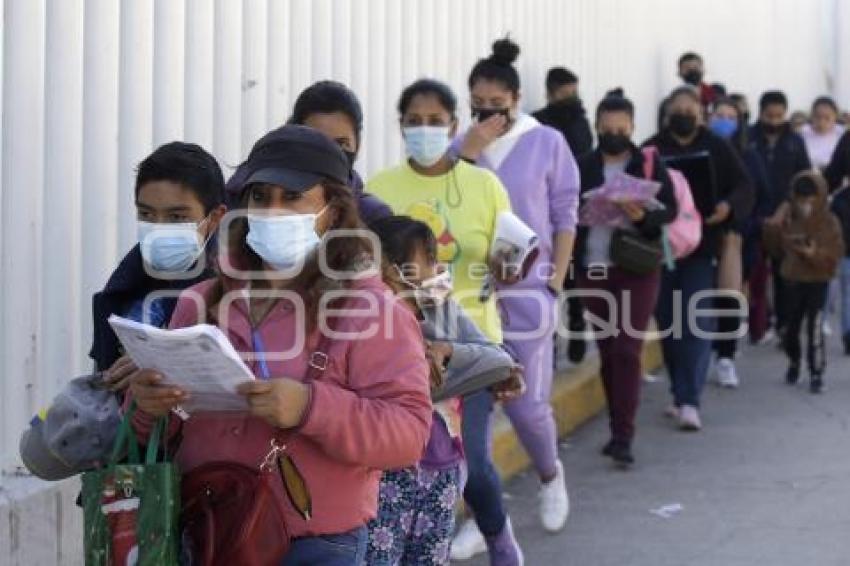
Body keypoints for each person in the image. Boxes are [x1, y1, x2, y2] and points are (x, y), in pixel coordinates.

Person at [128, 125, 432, 565]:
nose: (271, 211)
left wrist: (310, 406)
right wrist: (146, 407)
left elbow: (407, 435)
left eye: (292, 198)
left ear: (332, 209)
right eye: (259, 197)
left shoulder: (371, 310)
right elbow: (158, 430)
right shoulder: (200, 301)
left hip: (314, 545)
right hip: (209, 529)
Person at [366, 78, 525, 564]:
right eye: (414, 120)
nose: (424, 129)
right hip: (396, 344)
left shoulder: (485, 185)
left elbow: (509, 255)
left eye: (436, 121)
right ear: (400, 126)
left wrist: (508, 270)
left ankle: (500, 539)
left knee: (470, 465)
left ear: (454, 125)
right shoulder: (379, 189)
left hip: (466, 340)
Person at [453, 36, 579, 558]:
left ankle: (551, 475)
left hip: (529, 293)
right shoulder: (461, 148)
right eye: (477, 106)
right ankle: (486, 518)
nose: (486, 115)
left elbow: (565, 212)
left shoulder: (547, 141)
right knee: (471, 421)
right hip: (472, 299)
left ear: (516, 98)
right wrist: (469, 152)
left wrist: (556, 281)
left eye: (495, 106)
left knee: (527, 408)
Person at [366, 215, 517, 566]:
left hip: (440, 470)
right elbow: (411, 389)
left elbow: (499, 360)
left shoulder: (442, 309)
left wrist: (450, 352)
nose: (438, 269)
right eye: (428, 260)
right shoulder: (367, 323)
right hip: (385, 475)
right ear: (391, 270)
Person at [574, 92, 677, 466]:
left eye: (622, 128)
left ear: (633, 128)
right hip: (594, 267)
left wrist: (639, 214)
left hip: (637, 266)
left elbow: (669, 210)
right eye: (608, 128)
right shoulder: (582, 164)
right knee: (606, 350)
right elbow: (564, 208)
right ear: (598, 126)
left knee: (627, 349)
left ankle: (624, 436)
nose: (615, 134)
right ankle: (617, 426)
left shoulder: (648, 163)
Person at [645, 86, 753, 430]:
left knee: (695, 321)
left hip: (701, 247)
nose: (684, 114)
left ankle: (691, 400)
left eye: (690, 109)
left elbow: (744, 186)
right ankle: (680, 393)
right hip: (659, 250)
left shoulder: (716, 146)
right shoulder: (652, 148)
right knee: (668, 323)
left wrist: (727, 207)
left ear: (700, 113)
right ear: (666, 113)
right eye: (677, 108)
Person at [91, 142, 228, 388]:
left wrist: (164, 364)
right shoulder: (124, 283)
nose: (159, 227)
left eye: (177, 217)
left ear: (214, 218)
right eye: (146, 214)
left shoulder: (232, 294)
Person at [227, 81, 393, 224]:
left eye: (341, 143)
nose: (330, 154)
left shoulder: (371, 214)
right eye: (318, 140)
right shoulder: (242, 195)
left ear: (358, 143)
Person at [533, 67, 593, 365]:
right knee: (548, 283)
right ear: (550, 93)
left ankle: (578, 329)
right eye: (564, 94)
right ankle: (551, 343)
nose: (571, 99)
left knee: (573, 278)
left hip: (572, 212)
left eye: (574, 92)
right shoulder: (538, 123)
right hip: (542, 217)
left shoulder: (581, 121)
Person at [763, 172, 844, 393]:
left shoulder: (829, 222)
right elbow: (773, 249)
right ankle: (794, 361)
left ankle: (816, 372)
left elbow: (833, 258)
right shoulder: (790, 218)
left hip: (818, 281)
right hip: (792, 280)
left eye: (810, 200)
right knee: (791, 329)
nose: (806, 206)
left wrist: (813, 253)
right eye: (801, 200)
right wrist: (774, 226)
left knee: (815, 328)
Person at [707, 98, 769, 382]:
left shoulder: (749, 156)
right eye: (718, 115)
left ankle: (726, 356)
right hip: (700, 234)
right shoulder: (701, 149)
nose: (723, 121)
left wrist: (744, 222)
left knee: (728, 297)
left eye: (730, 117)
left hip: (737, 235)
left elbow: (761, 196)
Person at [750, 90, 812, 338]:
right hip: (755, 216)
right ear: (761, 112)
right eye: (769, 115)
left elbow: (804, 179)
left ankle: (785, 324)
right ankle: (759, 325)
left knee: (784, 273)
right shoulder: (748, 139)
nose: (774, 121)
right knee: (755, 273)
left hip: (786, 218)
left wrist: (786, 207)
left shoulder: (795, 142)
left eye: (779, 116)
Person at [830, 185, 850, 354]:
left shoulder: (839, 199)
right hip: (845, 254)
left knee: (847, 296)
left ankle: (848, 334)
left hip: (846, 253)